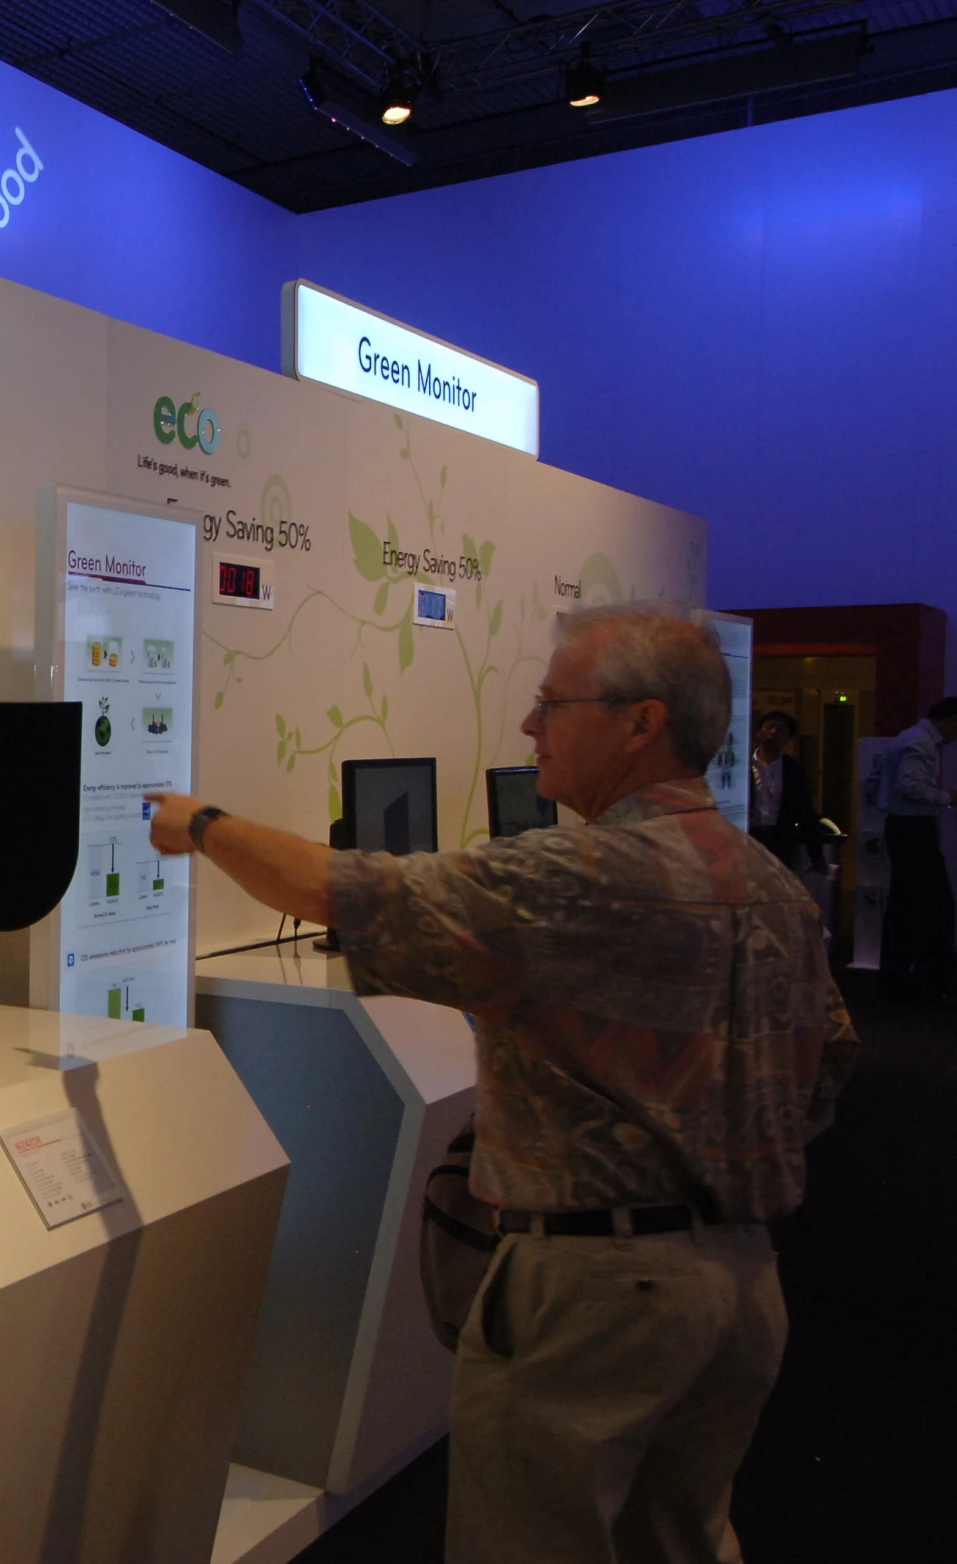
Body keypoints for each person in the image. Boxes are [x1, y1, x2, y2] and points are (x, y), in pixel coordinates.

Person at [146, 603, 858, 1564]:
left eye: (551, 703)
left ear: (641, 722)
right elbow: (825, 1073)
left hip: (595, 1300)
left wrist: (202, 822)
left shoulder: (581, 873)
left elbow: (337, 892)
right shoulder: (772, 882)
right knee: (678, 1537)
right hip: (739, 1286)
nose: (529, 729)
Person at [877, 695, 957, 1001]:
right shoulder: (921, 743)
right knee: (936, 907)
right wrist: (947, 797)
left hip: (901, 828)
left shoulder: (907, 738)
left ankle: (895, 979)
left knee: (904, 907)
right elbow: (909, 785)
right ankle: (933, 982)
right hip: (914, 831)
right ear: (950, 720)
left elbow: (878, 782)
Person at [746, 709, 822, 869]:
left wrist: (815, 853)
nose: (773, 732)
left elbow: (805, 810)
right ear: (759, 731)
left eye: (780, 729)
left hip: (780, 838)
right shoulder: (742, 766)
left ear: (788, 738)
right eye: (769, 727)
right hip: (747, 835)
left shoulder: (792, 769)